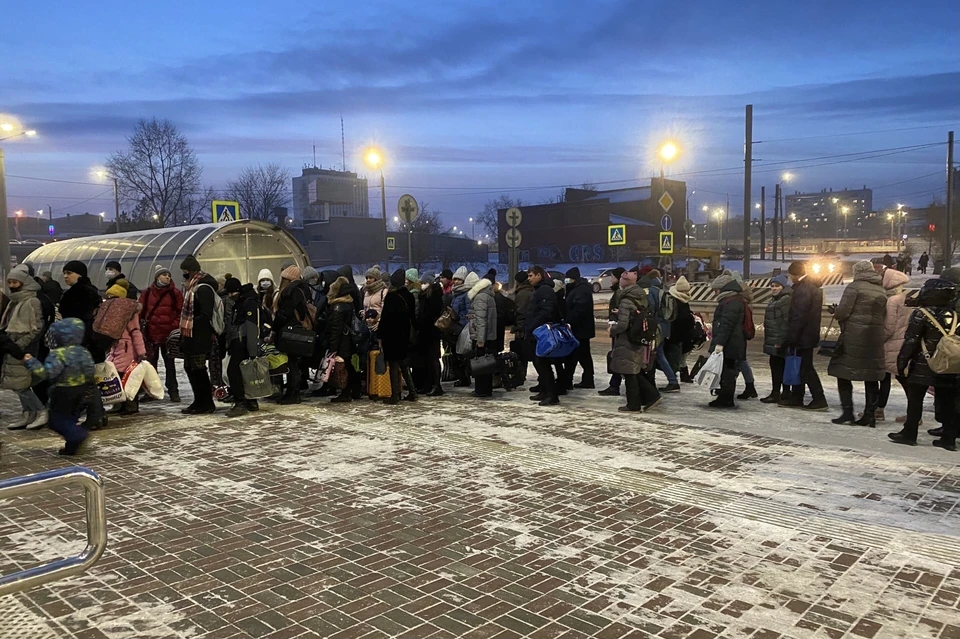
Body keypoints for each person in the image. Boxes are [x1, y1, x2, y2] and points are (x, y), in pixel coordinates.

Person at [889, 279, 959, 450]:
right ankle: (948, 438)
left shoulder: (922, 314)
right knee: (948, 402)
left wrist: (902, 362)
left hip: (923, 364)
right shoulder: (955, 315)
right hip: (948, 365)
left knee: (915, 400)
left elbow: (911, 341)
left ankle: (909, 433)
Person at [23, 318, 96, 456]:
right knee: (71, 418)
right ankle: (71, 448)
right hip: (82, 389)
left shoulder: (58, 354)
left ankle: (78, 435)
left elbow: (47, 373)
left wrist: (31, 362)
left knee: (56, 420)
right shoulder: (83, 351)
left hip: (63, 390)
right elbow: (90, 370)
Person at [828, 260, 887, 427]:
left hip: (854, 336)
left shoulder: (854, 287)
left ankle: (847, 412)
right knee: (871, 376)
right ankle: (870, 415)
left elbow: (843, 312)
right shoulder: (880, 289)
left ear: (857, 272)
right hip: (874, 337)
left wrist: (835, 311)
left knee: (842, 371)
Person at [59, 260, 107, 429]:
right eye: (64, 273)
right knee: (88, 381)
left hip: (82, 344)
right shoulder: (90, 291)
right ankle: (99, 414)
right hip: (90, 343)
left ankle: (95, 417)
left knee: (86, 382)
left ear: (80, 274)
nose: (66, 276)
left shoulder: (78, 293)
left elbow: (81, 322)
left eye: (69, 273)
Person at [609, 269, 661, 412]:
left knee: (629, 371)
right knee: (634, 369)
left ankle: (636, 403)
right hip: (638, 336)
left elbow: (622, 325)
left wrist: (612, 330)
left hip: (627, 339)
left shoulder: (625, 300)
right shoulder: (640, 295)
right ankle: (649, 397)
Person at [2, 266, 47, 430]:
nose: (12, 285)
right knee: (16, 384)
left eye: (15, 282)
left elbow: (37, 327)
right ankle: (28, 413)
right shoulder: (14, 301)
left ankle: (41, 411)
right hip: (11, 346)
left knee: (21, 384)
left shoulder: (32, 301)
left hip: (23, 347)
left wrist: (18, 345)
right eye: (10, 282)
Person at [782, 261, 828, 411]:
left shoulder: (803, 290)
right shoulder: (810, 287)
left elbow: (798, 316)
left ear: (794, 275)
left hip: (803, 335)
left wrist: (792, 338)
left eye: (789, 275)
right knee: (801, 367)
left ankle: (819, 398)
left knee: (806, 368)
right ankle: (797, 397)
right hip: (808, 333)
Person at [179, 255, 219, 415]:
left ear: (193, 271)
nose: (184, 275)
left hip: (200, 337)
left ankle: (206, 402)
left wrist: (190, 322)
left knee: (198, 369)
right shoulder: (192, 288)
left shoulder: (203, 288)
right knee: (190, 368)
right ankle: (198, 400)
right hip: (191, 336)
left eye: (185, 272)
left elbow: (205, 315)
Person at [139, 265, 184, 403]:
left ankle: (173, 390)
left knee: (170, 364)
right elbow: (141, 310)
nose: (167, 277)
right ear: (157, 277)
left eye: (168, 275)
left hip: (168, 335)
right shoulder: (147, 293)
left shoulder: (174, 293)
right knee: (151, 365)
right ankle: (151, 392)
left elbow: (180, 311)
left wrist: (173, 325)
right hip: (151, 334)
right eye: (164, 275)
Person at [104, 279, 148, 416]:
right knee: (116, 376)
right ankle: (118, 404)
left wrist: (141, 352)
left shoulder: (130, 313)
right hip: (116, 348)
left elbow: (136, 332)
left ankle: (130, 405)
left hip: (126, 348)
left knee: (128, 377)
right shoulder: (113, 313)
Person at [707, 271, 748, 409]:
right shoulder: (732, 300)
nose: (715, 293)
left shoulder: (732, 302)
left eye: (716, 290)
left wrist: (719, 344)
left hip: (731, 344)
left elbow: (726, 325)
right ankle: (724, 397)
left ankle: (726, 399)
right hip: (732, 342)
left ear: (723, 289)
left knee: (728, 372)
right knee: (726, 371)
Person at [877, 268, 911, 422]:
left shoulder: (892, 301)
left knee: (885, 377)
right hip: (904, 342)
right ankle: (914, 412)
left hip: (891, 344)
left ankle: (879, 409)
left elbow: (889, 327)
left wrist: (879, 339)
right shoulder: (907, 297)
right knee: (902, 376)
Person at [273, 265, 310, 404]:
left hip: (289, 331)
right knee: (293, 362)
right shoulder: (300, 290)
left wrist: (274, 328)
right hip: (295, 329)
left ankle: (293, 393)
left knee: (292, 363)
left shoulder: (289, 292)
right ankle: (291, 392)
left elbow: (284, 313)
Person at [380, 269, 417, 404]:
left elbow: (385, 318)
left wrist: (380, 335)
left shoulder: (391, 296)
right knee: (403, 363)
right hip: (405, 334)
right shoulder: (409, 296)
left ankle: (395, 395)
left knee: (393, 365)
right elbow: (413, 317)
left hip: (392, 335)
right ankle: (412, 392)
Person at [225, 283, 261, 417]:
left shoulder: (248, 303)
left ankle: (241, 402)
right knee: (245, 373)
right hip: (240, 342)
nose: (230, 296)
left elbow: (251, 327)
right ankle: (251, 401)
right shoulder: (242, 302)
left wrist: (252, 351)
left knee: (233, 371)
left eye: (232, 293)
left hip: (243, 343)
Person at [526, 266, 559, 406]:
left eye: (531, 275)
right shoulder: (539, 290)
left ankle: (552, 395)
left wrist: (533, 325)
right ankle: (545, 391)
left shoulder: (544, 290)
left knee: (542, 363)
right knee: (539, 362)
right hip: (538, 332)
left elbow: (546, 311)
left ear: (539, 275)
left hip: (543, 332)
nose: (529, 278)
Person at [326, 275, 360, 403]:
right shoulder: (349, 303)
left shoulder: (337, 307)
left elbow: (336, 329)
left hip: (341, 342)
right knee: (349, 367)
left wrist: (333, 348)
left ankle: (345, 393)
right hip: (349, 340)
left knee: (343, 368)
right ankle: (354, 390)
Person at [561, 267, 595, 390]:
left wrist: (569, 321)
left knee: (577, 355)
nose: (566, 281)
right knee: (582, 355)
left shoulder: (580, 291)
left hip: (579, 329)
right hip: (582, 329)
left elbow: (579, 309)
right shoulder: (578, 289)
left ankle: (569, 380)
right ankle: (585, 379)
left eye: (568, 279)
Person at [646, 270, 680, 393]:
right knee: (658, 355)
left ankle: (672, 381)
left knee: (658, 355)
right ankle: (671, 380)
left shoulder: (652, 291)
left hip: (657, 327)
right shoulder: (663, 290)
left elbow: (651, 308)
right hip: (665, 327)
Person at [761, 274, 793, 404]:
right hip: (774, 339)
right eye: (772, 286)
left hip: (779, 341)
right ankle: (780, 392)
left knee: (779, 367)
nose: (774, 288)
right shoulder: (775, 299)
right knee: (777, 366)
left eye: (777, 286)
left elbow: (785, 322)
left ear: (783, 287)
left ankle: (781, 393)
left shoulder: (785, 300)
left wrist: (780, 341)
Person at [468, 270, 498, 398]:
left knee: (480, 364)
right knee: (487, 364)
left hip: (482, 336)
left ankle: (481, 390)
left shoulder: (480, 297)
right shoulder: (489, 295)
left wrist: (480, 339)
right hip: (489, 335)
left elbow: (481, 320)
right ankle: (486, 389)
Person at [599, 267, 627, 396]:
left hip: (619, 329)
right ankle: (614, 384)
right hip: (619, 328)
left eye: (613, 277)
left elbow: (619, 311)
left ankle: (614, 385)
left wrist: (613, 325)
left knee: (618, 357)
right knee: (619, 357)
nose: (611, 279)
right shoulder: (619, 292)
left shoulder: (620, 293)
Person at [416, 273, 444, 396]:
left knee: (433, 359)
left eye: (425, 283)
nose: (422, 285)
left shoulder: (435, 295)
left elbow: (431, 313)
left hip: (432, 331)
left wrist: (422, 320)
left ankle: (437, 385)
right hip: (424, 331)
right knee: (426, 359)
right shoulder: (423, 295)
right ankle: (428, 385)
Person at [664, 276, 694, 383]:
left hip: (679, 335)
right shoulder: (679, 301)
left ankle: (680, 377)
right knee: (677, 357)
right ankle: (676, 378)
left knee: (680, 357)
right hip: (677, 335)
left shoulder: (678, 300)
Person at [451, 272, 477, 387]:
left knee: (462, 354)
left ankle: (465, 377)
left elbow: (469, 312)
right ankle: (462, 376)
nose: (456, 282)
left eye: (459, 279)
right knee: (456, 353)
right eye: (455, 279)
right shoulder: (456, 293)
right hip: (455, 326)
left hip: (461, 327)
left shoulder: (466, 295)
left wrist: (465, 325)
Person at [512, 270, 535, 381]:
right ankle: (521, 374)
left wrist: (517, 326)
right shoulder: (530, 290)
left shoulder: (522, 293)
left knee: (520, 352)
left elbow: (520, 311)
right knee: (526, 351)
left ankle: (520, 375)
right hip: (528, 325)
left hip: (522, 326)